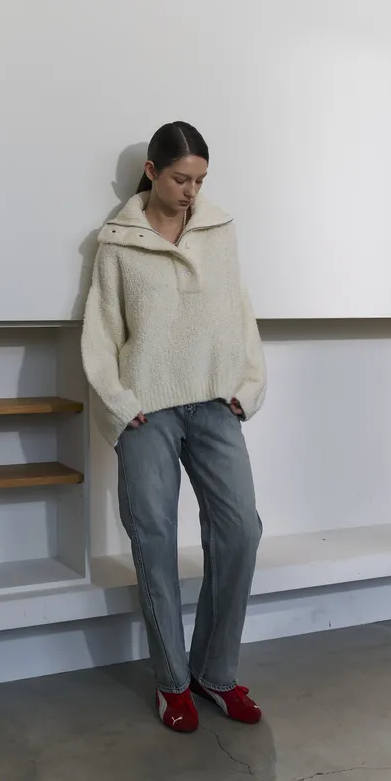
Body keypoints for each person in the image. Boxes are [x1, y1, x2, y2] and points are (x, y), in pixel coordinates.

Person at [81, 121, 266, 733]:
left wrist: (247, 389)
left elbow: (240, 312)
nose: (192, 191)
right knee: (154, 538)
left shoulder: (219, 229)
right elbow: (103, 332)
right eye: (181, 179)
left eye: (201, 180)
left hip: (214, 405)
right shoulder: (118, 242)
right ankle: (172, 683)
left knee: (240, 531)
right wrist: (120, 403)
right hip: (147, 411)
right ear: (152, 173)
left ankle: (216, 673)